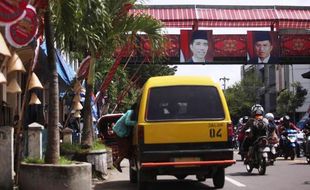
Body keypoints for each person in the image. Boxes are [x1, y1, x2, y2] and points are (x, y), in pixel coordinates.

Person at [112, 104, 137, 172]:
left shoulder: (133, 114)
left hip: (123, 133)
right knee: (125, 149)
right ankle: (117, 162)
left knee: (128, 148)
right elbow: (127, 122)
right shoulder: (130, 112)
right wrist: (136, 123)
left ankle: (118, 162)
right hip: (119, 132)